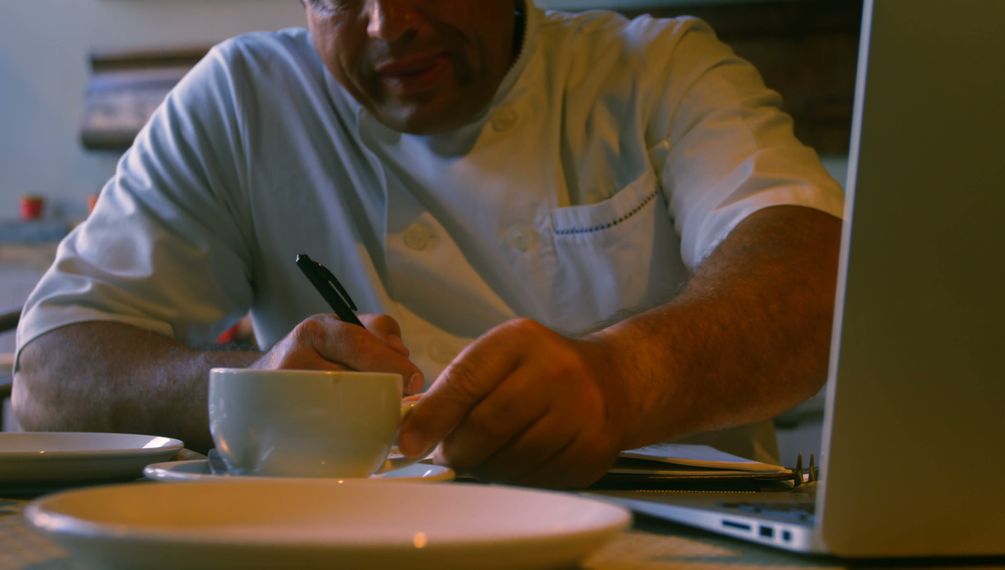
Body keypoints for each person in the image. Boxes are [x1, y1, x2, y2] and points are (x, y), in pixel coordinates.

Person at [12, 0, 843, 488]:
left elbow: (820, 281)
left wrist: (627, 376)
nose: (388, 24)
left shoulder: (654, 72)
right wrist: (246, 389)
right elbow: (48, 375)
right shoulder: (245, 100)